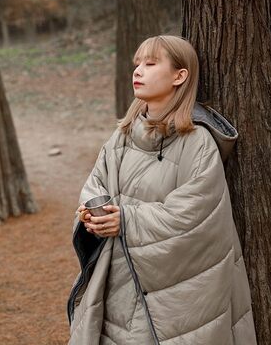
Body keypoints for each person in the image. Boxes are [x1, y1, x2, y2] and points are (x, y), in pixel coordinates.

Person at [67, 35, 257, 344]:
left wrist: (126, 220)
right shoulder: (124, 135)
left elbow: (195, 215)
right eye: (137, 64)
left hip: (174, 293)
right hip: (116, 280)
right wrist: (92, 214)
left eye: (151, 64)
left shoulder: (198, 143)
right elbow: (95, 184)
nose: (138, 71)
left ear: (180, 76)